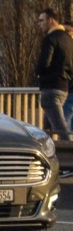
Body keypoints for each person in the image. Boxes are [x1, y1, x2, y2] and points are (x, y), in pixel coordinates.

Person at [34, 8, 73, 141]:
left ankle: (69, 157)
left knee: (61, 129)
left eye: (41, 20)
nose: (39, 24)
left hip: (51, 88)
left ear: (51, 20)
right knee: (47, 127)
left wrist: (37, 71)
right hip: (64, 87)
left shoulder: (50, 39)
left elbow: (44, 63)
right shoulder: (68, 39)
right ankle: (45, 154)